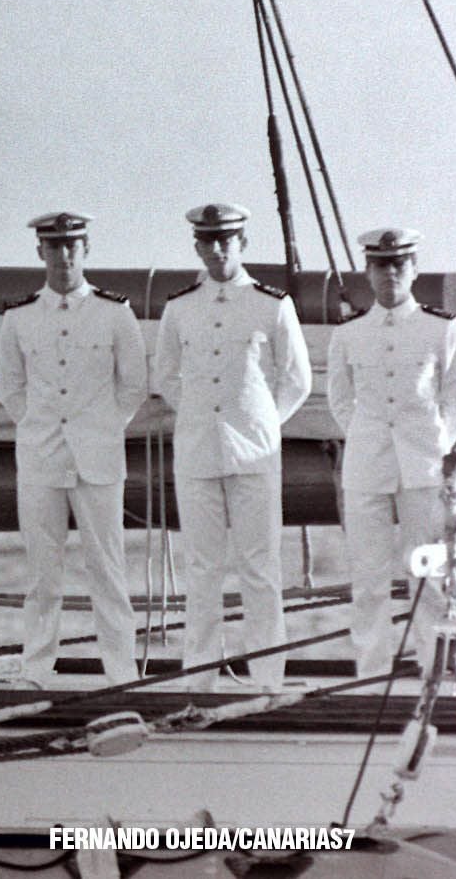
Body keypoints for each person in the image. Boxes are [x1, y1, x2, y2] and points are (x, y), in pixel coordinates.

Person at [153, 202, 311, 692]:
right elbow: (166, 375)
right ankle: (199, 679)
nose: (218, 249)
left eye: (227, 240)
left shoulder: (271, 304)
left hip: (254, 454)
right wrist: (201, 415)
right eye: (208, 241)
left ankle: (267, 679)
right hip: (199, 452)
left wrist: (262, 423)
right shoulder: (180, 308)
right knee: (202, 569)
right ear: (197, 246)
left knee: (260, 569)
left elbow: (297, 379)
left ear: (241, 243)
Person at [0, 212, 145, 685]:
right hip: (41, 457)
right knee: (43, 575)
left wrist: (100, 427)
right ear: (40, 252)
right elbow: (10, 389)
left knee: (108, 569)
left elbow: (133, 386)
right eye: (54, 247)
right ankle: (37, 669)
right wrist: (40, 427)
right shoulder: (19, 317)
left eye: (72, 246)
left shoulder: (114, 313)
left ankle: (120, 671)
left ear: (86, 250)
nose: (63, 256)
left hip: (98, 459)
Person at [325, 228, 456, 678]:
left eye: (399, 265)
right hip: (367, 468)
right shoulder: (349, 334)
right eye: (381, 265)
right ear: (368, 272)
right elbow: (340, 399)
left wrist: (432, 442)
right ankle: (370, 675)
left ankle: (437, 675)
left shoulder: (440, 329)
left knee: (429, 573)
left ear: (414, 270)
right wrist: (368, 438)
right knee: (368, 580)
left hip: (424, 466)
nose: (390, 274)